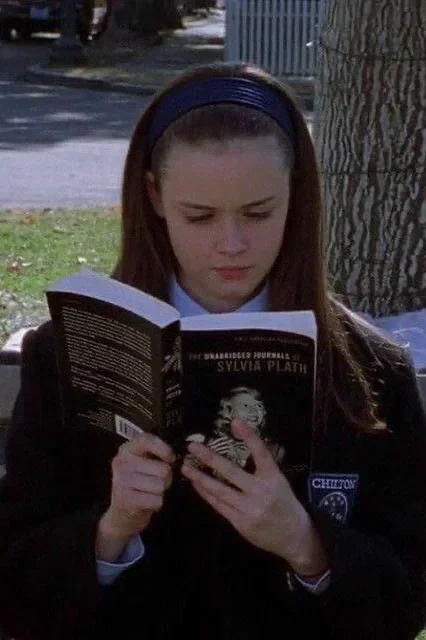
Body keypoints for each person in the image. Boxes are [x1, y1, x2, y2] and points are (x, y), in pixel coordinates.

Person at [0, 62, 425, 640]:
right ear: (154, 196)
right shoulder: (66, 354)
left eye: (258, 212)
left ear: (296, 194)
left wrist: (306, 545)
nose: (232, 244)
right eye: (198, 216)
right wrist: (111, 532)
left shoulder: (371, 371)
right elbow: (16, 593)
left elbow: (404, 604)